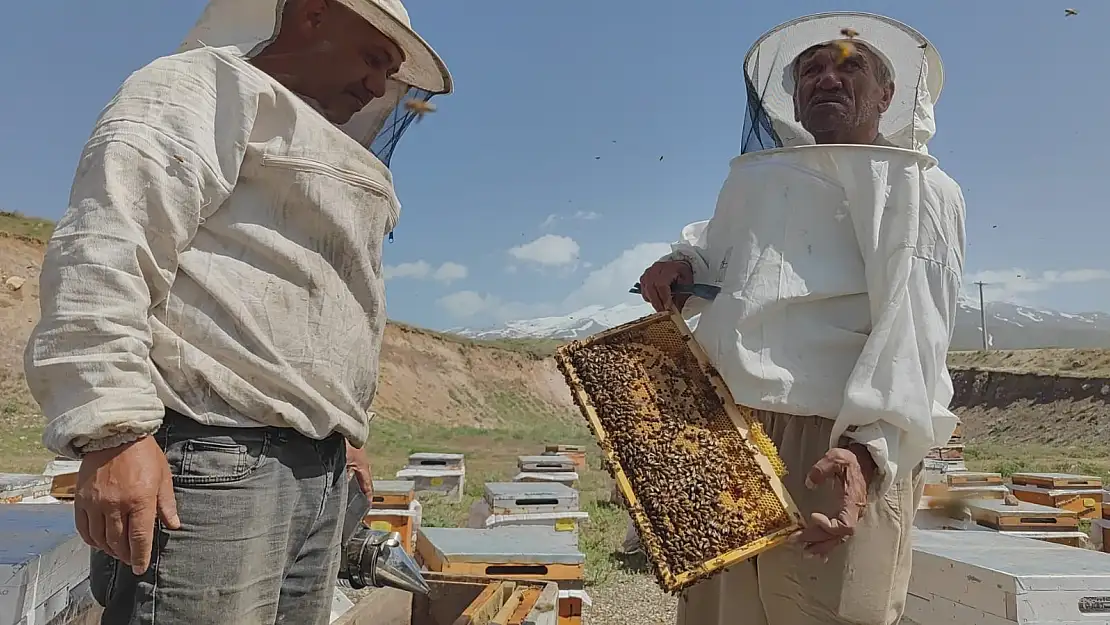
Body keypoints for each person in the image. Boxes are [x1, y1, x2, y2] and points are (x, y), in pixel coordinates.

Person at [23, 0, 451, 623]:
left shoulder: (305, 141)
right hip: (213, 460)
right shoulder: (200, 87)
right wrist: (113, 431)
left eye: (389, 72)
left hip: (318, 469)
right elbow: (107, 246)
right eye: (372, 56)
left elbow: (322, 301)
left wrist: (343, 430)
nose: (377, 86)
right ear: (311, 15)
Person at [638, 13, 964, 625]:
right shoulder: (762, 182)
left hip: (836, 443)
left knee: (824, 612)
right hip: (725, 431)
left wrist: (871, 454)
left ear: (888, 96)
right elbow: (724, 249)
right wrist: (681, 264)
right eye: (811, 69)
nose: (827, 78)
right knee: (719, 614)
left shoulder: (920, 189)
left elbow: (916, 333)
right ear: (791, 95)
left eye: (850, 64)